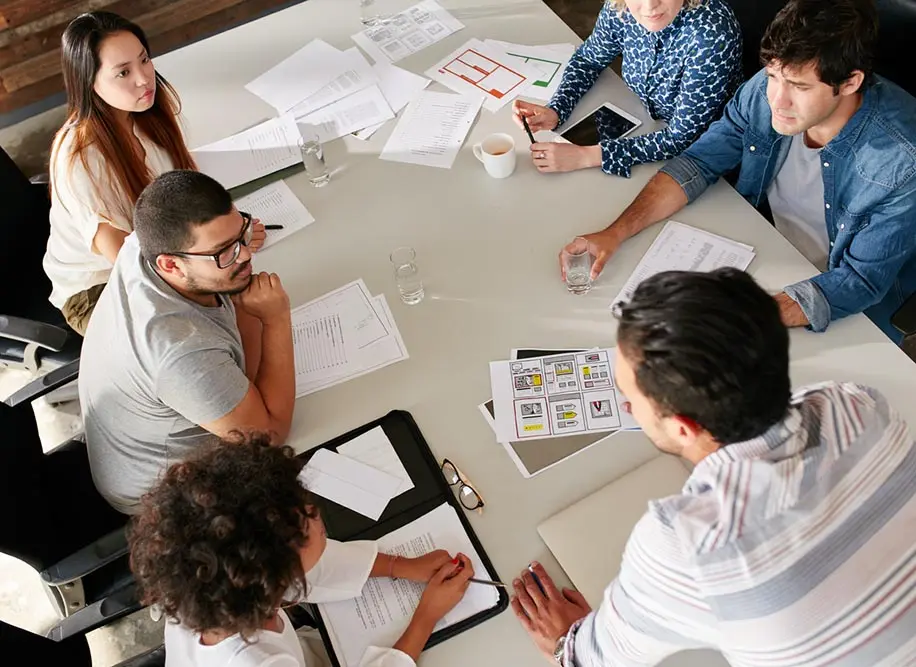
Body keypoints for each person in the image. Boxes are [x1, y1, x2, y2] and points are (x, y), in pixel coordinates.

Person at [510, 267, 916, 666]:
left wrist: (565, 644)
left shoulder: (685, 547)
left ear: (683, 428)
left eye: (630, 397)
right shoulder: (857, 404)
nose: (627, 407)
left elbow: (595, 660)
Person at [561, 0, 916, 343]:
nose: (777, 100)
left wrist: (737, 317)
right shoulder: (765, 88)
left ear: (850, 82)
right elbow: (698, 162)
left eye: (800, 87)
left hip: (839, 302)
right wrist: (614, 233)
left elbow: (859, 281)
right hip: (765, 250)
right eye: (774, 76)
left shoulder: (901, 161)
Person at [129, 436, 475, 667]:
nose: (314, 510)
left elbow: (310, 565)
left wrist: (399, 565)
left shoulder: (207, 585)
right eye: (305, 521)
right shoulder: (260, 662)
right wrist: (426, 617)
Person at [79, 170, 290, 513]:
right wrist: (275, 319)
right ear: (171, 265)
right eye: (222, 251)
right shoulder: (179, 350)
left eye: (241, 234)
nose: (245, 256)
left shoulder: (143, 243)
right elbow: (269, 439)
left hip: (143, 438)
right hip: (166, 498)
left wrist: (243, 301)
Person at [42, 11, 266, 334]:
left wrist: (231, 239)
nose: (144, 78)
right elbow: (128, 261)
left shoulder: (144, 111)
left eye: (144, 59)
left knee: (247, 305)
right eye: (123, 72)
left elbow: (186, 193)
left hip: (163, 253)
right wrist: (218, 258)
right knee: (213, 333)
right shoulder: (79, 158)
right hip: (99, 288)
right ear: (90, 83)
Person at [512, 0, 742, 178]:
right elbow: (589, 60)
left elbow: (680, 138)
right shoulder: (620, 7)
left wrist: (586, 156)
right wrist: (557, 109)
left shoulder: (712, 34)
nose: (650, 6)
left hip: (708, 154)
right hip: (646, 123)